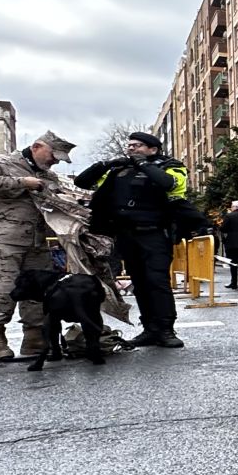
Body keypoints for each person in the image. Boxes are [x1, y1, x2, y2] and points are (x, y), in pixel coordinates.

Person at [0, 130, 74, 360]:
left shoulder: (48, 176)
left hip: (35, 242)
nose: (54, 162)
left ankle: (35, 339)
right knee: (2, 290)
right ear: (36, 147)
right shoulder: (1, 163)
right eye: (53, 155)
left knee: (39, 292)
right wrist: (20, 182)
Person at [77, 131, 187, 348]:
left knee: (157, 282)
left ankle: (166, 329)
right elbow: (82, 182)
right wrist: (105, 164)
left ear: (153, 149)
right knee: (140, 283)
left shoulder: (170, 166)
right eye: (130, 146)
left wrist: (143, 165)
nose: (131, 149)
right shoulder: (119, 170)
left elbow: (168, 184)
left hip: (155, 233)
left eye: (137, 145)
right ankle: (150, 329)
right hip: (127, 234)